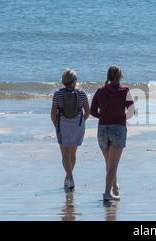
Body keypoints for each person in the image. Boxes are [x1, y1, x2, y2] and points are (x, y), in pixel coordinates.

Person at [90, 66, 135, 201]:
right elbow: (132, 111)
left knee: (109, 163)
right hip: (118, 129)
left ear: (108, 76)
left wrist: (104, 116)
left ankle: (114, 185)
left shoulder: (100, 90)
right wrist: (120, 119)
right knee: (113, 165)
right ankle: (107, 193)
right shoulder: (125, 90)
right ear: (120, 76)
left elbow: (92, 111)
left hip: (102, 129)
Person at [51, 69, 90, 189]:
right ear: (74, 81)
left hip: (62, 125)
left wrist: (56, 125)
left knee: (65, 154)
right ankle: (69, 177)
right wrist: (80, 122)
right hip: (77, 125)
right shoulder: (82, 94)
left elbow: (53, 114)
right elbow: (88, 112)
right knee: (73, 153)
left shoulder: (58, 94)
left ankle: (70, 177)